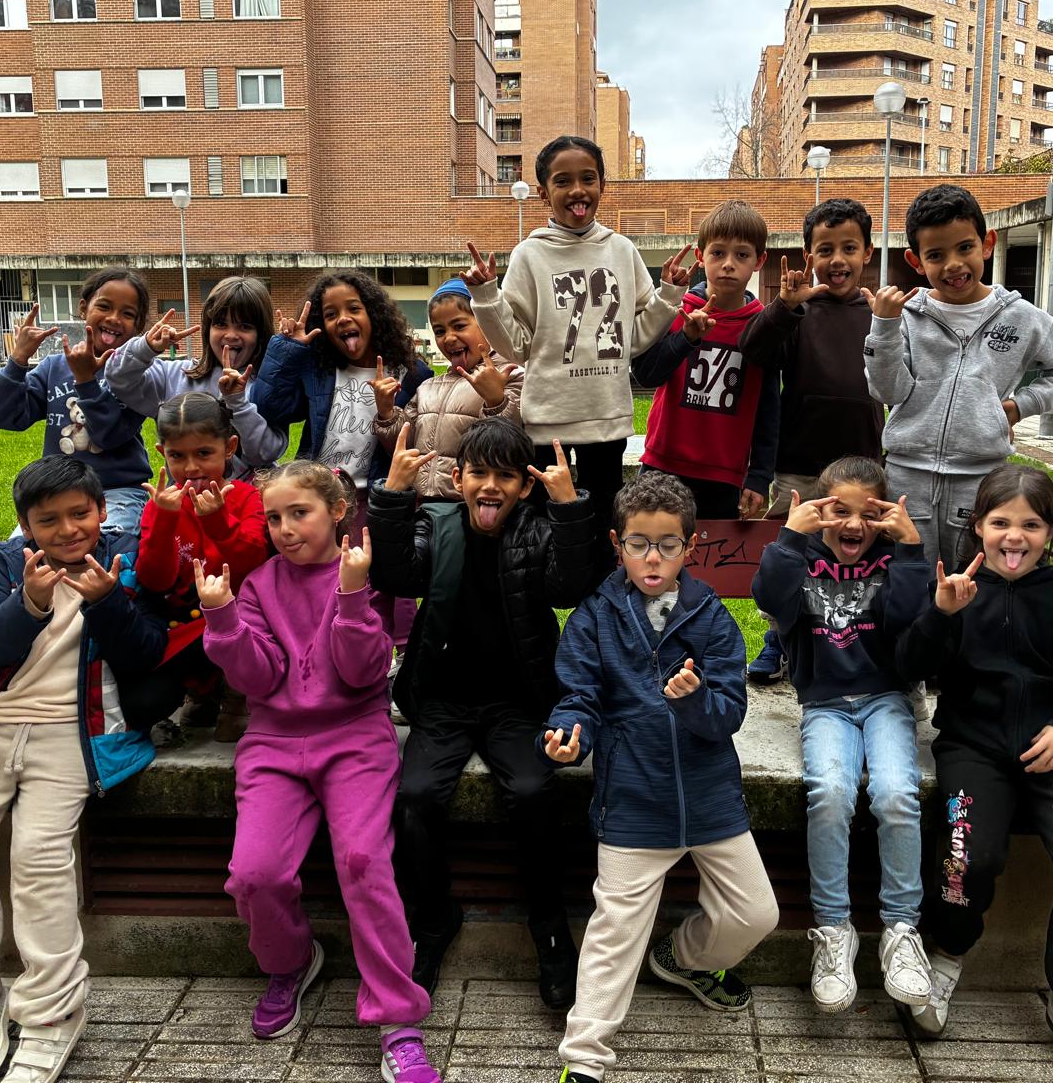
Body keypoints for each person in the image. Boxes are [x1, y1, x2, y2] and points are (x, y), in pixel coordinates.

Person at [0, 456, 166, 1083]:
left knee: (40, 861)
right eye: (48, 520)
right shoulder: (12, 564)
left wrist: (108, 602)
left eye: (79, 514)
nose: (67, 530)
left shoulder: (126, 559)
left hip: (72, 735)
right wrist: (29, 601)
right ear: (26, 525)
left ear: (102, 510)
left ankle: (52, 1011)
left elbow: (146, 653)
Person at [200, 461, 444, 1083]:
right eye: (273, 518)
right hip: (274, 744)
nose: (284, 529)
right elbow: (258, 679)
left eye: (298, 513)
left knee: (363, 862)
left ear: (338, 511)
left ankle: (397, 1018)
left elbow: (364, 673)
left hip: (355, 738)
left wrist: (352, 595)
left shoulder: (367, 573)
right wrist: (223, 617)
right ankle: (289, 962)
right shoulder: (259, 585)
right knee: (254, 874)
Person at [542, 472, 779, 1083]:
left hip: (710, 796)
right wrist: (570, 735)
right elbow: (578, 696)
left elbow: (729, 713)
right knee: (614, 932)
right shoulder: (594, 618)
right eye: (640, 544)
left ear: (690, 546)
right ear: (617, 544)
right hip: (632, 799)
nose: (653, 557)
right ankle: (584, 1059)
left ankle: (683, 957)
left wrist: (695, 701)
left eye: (668, 544)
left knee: (756, 914)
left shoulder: (712, 617)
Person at [368, 419, 596, 1008]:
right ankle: (433, 918)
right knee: (415, 797)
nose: (490, 487)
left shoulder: (537, 530)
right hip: (443, 700)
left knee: (534, 792)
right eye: (478, 474)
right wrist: (393, 496)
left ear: (525, 486)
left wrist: (568, 508)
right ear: (458, 479)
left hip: (518, 701)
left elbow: (569, 588)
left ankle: (549, 926)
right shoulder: (437, 524)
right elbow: (396, 575)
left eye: (505, 477)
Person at [895, 464, 1053, 1083]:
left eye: (1031, 525)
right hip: (973, 751)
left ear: (1050, 532)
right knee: (970, 857)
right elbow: (907, 666)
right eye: (1000, 523)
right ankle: (947, 955)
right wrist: (940, 614)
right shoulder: (958, 594)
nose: (1014, 537)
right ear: (978, 529)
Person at [751, 456, 931, 1016]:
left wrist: (910, 549)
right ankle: (833, 930)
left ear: (886, 516)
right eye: (839, 511)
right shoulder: (801, 555)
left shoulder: (892, 558)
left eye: (868, 514)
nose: (853, 525)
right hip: (825, 704)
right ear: (818, 511)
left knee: (896, 793)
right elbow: (769, 601)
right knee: (829, 793)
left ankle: (902, 930)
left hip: (886, 698)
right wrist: (788, 537)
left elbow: (907, 618)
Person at [466, 135, 695, 574]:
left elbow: (634, 338)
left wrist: (669, 295)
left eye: (588, 179)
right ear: (542, 193)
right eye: (562, 181)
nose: (577, 190)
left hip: (605, 418)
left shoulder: (622, 250)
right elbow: (515, 346)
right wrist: (486, 296)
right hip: (545, 421)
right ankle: (540, 591)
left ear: (602, 185)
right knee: (539, 522)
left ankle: (600, 599)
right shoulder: (529, 255)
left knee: (603, 521)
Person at [862, 183, 1053, 567]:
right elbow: (887, 391)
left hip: (981, 478)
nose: (953, 264)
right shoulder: (907, 316)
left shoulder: (1021, 317)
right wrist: (884, 327)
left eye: (964, 247)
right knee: (904, 572)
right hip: (906, 476)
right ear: (916, 261)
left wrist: (1018, 406)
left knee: (975, 574)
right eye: (936, 255)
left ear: (987, 244)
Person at [738, 198, 884, 684]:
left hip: (862, 467)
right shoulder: (798, 312)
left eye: (849, 248)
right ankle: (778, 637)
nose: (837, 260)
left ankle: (849, 637)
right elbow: (753, 349)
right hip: (799, 462)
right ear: (809, 255)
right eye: (825, 249)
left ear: (867, 253)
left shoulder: (879, 315)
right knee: (792, 552)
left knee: (854, 558)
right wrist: (784, 306)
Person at [132, 393, 269, 743]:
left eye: (204, 453)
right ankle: (201, 691)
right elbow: (154, 579)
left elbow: (253, 563)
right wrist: (164, 521)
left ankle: (237, 697)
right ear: (162, 453)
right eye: (178, 456)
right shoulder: (161, 505)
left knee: (243, 623)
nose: (191, 467)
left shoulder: (246, 497)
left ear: (229, 448)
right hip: (183, 622)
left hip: (239, 615)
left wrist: (218, 522)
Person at [632, 199, 780, 520]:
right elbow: (646, 374)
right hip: (662, 465)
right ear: (700, 256)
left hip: (724, 476)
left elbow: (769, 408)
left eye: (742, 255)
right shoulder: (675, 308)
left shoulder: (762, 326)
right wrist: (685, 338)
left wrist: (759, 475)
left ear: (759, 260)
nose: (728, 264)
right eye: (718, 253)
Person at [0, 268, 155, 535]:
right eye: (104, 306)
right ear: (83, 308)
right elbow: (7, 417)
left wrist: (86, 381)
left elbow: (107, 436)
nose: (114, 318)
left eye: (127, 313)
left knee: (105, 546)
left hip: (117, 491)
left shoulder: (137, 376)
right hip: (58, 492)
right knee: (17, 550)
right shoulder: (54, 367)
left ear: (139, 325)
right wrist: (18, 360)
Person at [253, 268, 433, 489]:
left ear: (374, 314)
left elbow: (413, 446)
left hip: (375, 496)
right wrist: (287, 350)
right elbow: (269, 408)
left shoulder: (412, 375)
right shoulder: (319, 370)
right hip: (317, 493)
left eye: (354, 309)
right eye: (331, 315)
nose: (343, 319)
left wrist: (387, 413)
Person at [104, 275, 286, 476]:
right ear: (208, 328)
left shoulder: (270, 386)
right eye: (220, 324)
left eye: (245, 326)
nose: (231, 335)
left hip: (247, 495)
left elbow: (264, 454)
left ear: (261, 333)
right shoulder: (175, 375)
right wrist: (145, 347)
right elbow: (118, 377)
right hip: (185, 494)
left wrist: (238, 403)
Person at [373, 277, 524, 501]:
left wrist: (496, 401)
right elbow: (404, 446)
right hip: (423, 505)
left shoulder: (510, 374)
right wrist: (387, 414)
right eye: (439, 331)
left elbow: (512, 445)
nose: (449, 338)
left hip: (474, 505)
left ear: (488, 324)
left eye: (459, 326)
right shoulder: (428, 387)